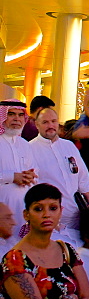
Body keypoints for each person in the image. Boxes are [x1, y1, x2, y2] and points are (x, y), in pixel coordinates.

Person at [0, 183, 89, 299]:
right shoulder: (15, 259)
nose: (46, 215)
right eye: (38, 209)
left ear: (60, 211)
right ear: (26, 214)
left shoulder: (66, 250)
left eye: (52, 208)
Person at [29, 108, 89, 245]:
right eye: (45, 122)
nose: (50, 126)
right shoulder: (30, 149)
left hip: (75, 215)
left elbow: (83, 177)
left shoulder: (69, 146)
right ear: (37, 124)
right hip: (50, 218)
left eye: (53, 121)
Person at [0, 100, 36, 240]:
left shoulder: (25, 144)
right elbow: (13, 176)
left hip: (22, 208)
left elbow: (35, 171)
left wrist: (31, 176)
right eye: (11, 114)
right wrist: (12, 177)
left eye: (21, 115)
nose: (17, 119)